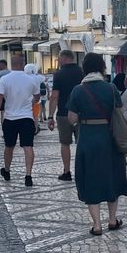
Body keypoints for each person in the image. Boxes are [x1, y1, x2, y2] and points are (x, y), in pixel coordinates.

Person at [66, 52, 127, 235]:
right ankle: (112, 219)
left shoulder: (78, 90)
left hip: (87, 139)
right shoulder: (110, 88)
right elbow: (119, 112)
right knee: (112, 177)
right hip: (109, 138)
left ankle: (96, 225)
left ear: (84, 69)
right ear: (102, 67)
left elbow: (72, 118)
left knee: (90, 178)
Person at [0, 54, 40, 187]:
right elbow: (37, 96)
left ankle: (7, 170)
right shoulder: (31, 80)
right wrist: (31, 103)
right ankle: (28, 175)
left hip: (10, 118)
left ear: (12, 64)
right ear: (23, 64)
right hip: (27, 118)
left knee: (9, 146)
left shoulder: (5, 79)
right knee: (28, 146)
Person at [47, 49, 83, 181]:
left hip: (63, 114)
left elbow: (55, 96)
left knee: (65, 143)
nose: (58, 61)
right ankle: (82, 171)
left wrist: (50, 116)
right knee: (82, 143)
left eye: (59, 59)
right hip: (81, 114)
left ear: (64, 58)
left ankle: (67, 171)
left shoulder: (59, 74)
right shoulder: (82, 72)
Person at [23, 63, 47, 133]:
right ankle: (35, 128)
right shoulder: (38, 77)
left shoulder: (24, 77)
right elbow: (44, 79)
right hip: (36, 100)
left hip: (26, 100)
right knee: (35, 115)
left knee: (26, 116)